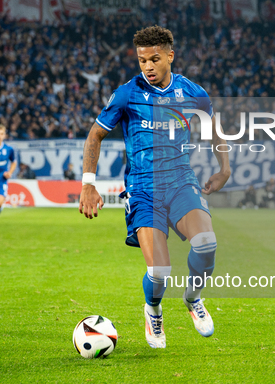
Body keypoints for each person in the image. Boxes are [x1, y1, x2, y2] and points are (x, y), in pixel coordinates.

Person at [78, 26, 230, 349]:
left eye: (154, 59)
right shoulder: (127, 94)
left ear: (170, 56)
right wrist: (87, 184)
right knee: (160, 271)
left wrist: (225, 168)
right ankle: (153, 310)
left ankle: (193, 298)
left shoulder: (192, 92)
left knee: (206, 244)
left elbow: (214, 129)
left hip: (180, 181)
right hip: (144, 188)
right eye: (142, 60)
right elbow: (95, 135)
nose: (147, 66)